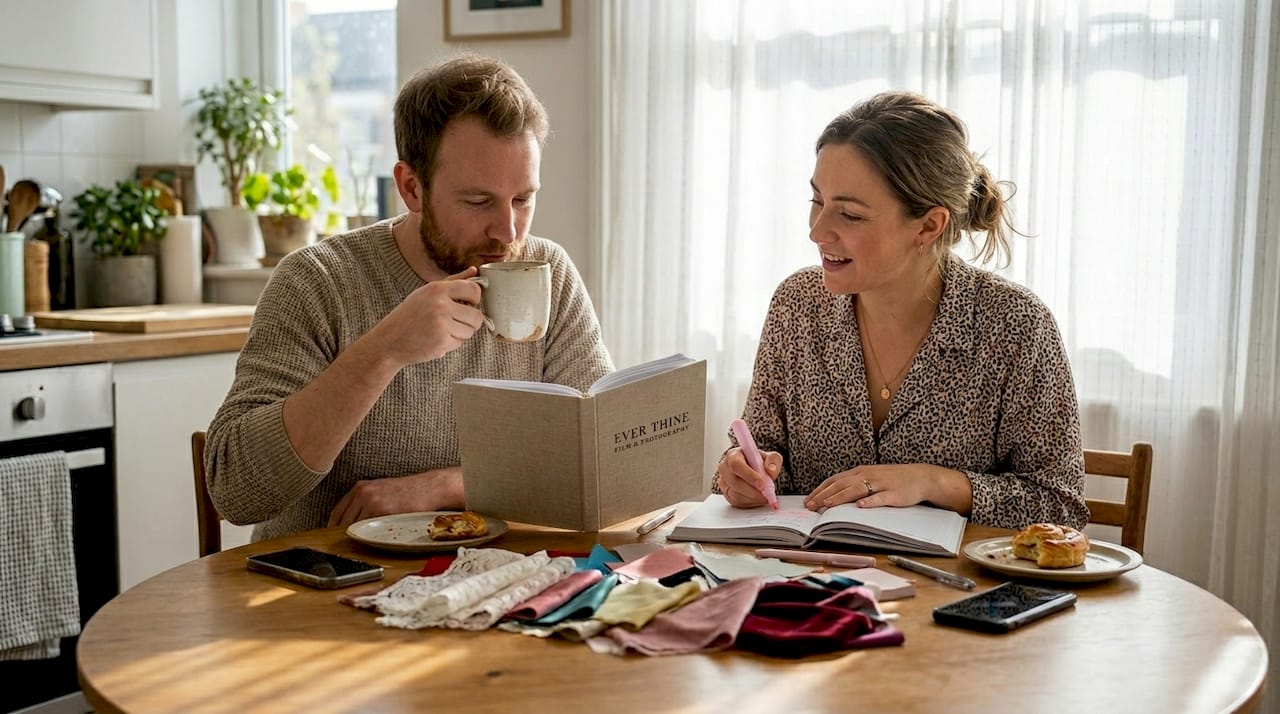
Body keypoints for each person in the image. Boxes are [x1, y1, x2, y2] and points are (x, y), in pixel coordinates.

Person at [205, 54, 614, 541]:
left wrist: (446, 486)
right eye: (478, 201)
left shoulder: (549, 274)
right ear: (411, 187)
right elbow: (236, 491)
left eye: (523, 199)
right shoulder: (315, 282)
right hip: (326, 588)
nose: (507, 231)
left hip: (494, 581)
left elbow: (600, 460)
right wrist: (384, 350)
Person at [714, 91, 1088, 530]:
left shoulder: (1016, 325)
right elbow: (759, 457)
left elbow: (1060, 507)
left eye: (849, 215)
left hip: (951, 591)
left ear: (929, 225)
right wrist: (737, 474)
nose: (817, 231)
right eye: (817, 201)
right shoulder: (797, 305)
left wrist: (933, 483)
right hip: (815, 585)